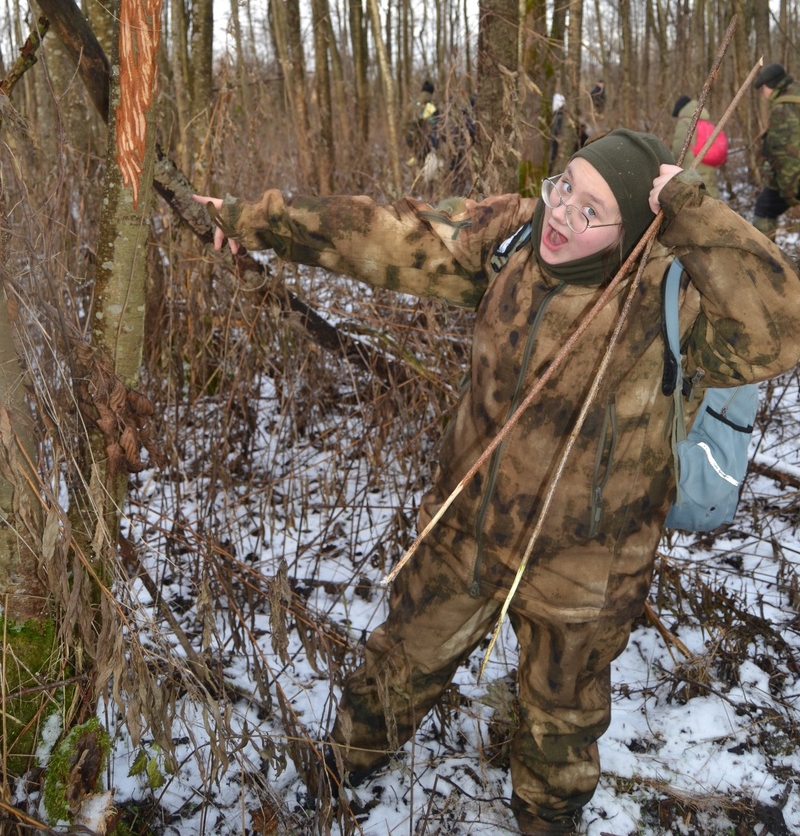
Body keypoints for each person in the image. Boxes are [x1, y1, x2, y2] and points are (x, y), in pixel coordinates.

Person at [195, 130, 800, 835]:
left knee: (561, 725)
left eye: (592, 210)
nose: (563, 213)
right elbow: (389, 233)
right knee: (396, 666)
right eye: (564, 186)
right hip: (466, 530)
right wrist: (253, 220)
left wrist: (693, 211)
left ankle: (546, 821)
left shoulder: (675, 294)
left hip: (586, 570)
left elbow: (779, 327)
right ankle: (341, 773)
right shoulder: (511, 240)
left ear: (635, 226)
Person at [752, 62, 800, 238]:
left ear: (771, 85)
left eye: (763, 88)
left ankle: (766, 261)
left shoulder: (782, 110)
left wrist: (790, 194)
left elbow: (788, 156)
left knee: (764, 210)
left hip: (792, 178)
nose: (763, 94)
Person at [671, 95, 721, 198]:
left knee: (696, 200)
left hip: (692, 168)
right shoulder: (703, 119)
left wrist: (671, 162)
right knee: (711, 196)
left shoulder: (684, 122)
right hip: (708, 164)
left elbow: (678, 148)